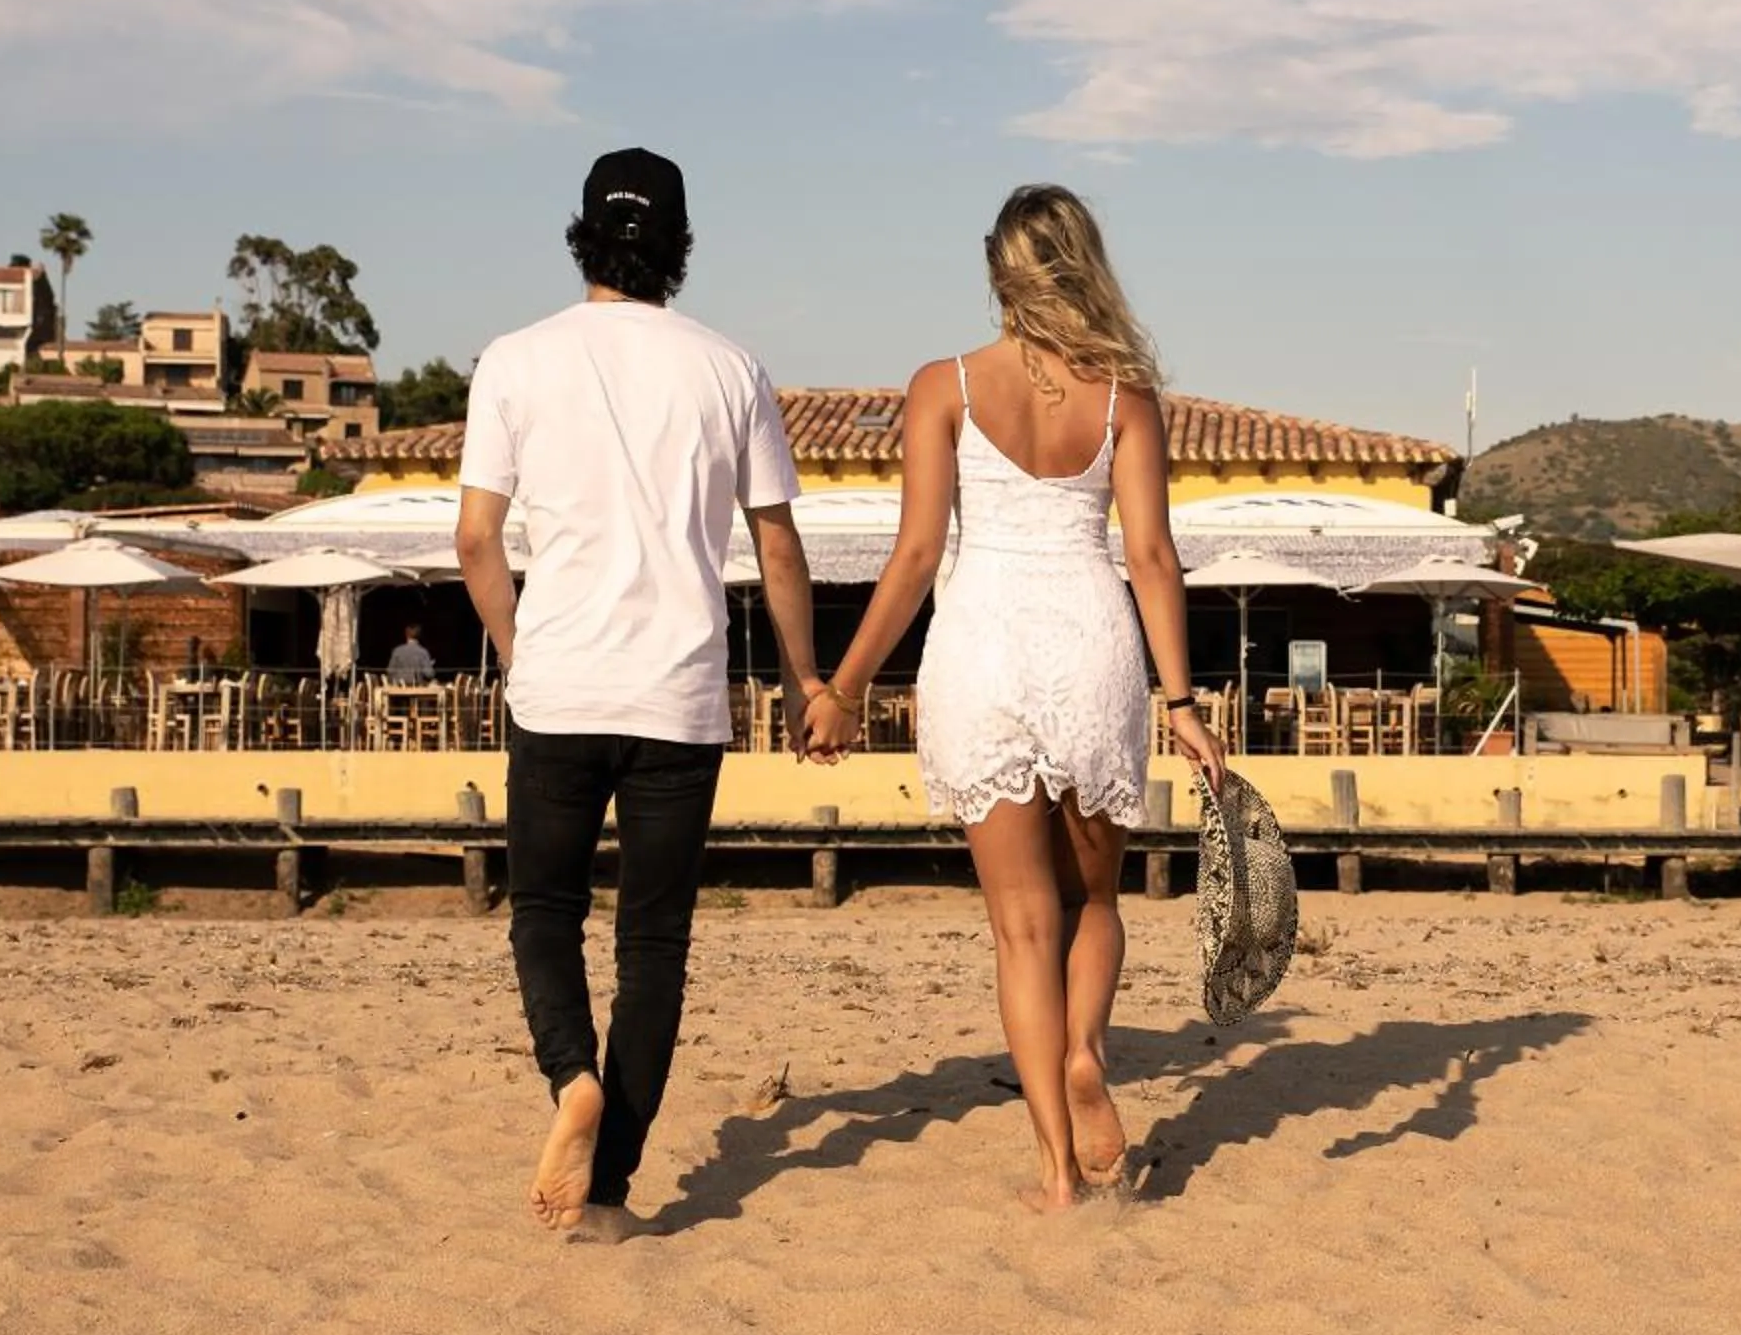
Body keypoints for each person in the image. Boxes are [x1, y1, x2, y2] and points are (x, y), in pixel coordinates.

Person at [808, 184, 1223, 1213]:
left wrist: (848, 685)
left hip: (985, 646)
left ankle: (1052, 1169)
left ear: (998, 270)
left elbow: (913, 557)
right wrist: (1182, 700)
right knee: (1093, 903)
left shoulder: (943, 385)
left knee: (1021, 927)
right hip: (1090, 642)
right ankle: (1088, 1049)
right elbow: (1154, 557)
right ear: (1086, 263)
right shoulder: (1125, 399)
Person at [455, 147, 824, 1242]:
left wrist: (523, 655)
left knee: (543, 913)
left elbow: (477, 538)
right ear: (680, 245)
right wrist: (809, 679)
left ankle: (571, 1074)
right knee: (653, 947)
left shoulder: (516, 359)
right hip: (678, 697)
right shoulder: (730, 367)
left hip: (560, 687)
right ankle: (610, 1187)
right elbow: (778, 544)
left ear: (582, 235)